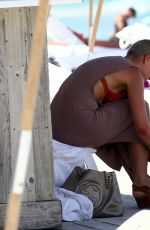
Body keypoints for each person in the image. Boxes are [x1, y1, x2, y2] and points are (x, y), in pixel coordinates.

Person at [51, 39, 150, 209]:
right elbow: (142, 128)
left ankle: (141, 183)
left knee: (130, 114)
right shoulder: (133, 73)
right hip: (77, 128)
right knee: (140, 109)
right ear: (147, 58)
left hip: (56, 128)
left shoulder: (110, 63)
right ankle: (141, 181)